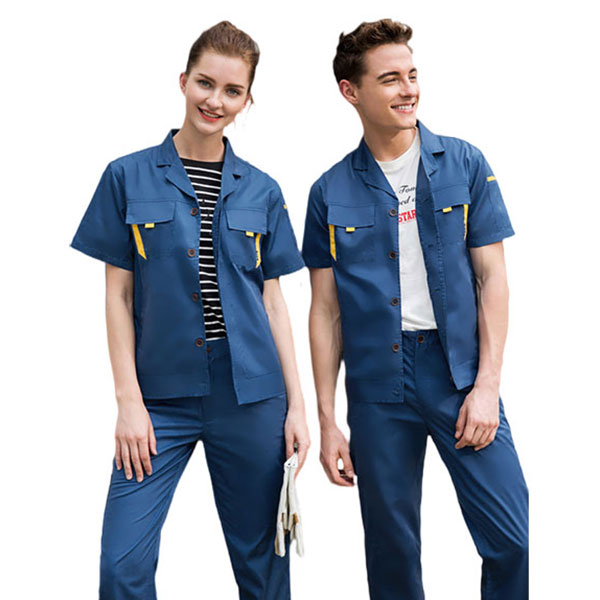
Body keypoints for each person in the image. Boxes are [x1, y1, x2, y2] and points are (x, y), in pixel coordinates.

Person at [70, 21, 309, 600]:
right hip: (159, 396)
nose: (215, 100)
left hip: (251, 395)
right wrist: (128, 401)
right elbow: (118, 296)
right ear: (183, 81)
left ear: (248, 100)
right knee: (121, 564)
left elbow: (273, 303)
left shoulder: (263, 190)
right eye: (205, 83)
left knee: (263, 566)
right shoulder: (126, 176)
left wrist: (298, 407)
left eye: (232, 91)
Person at [302, 18, 528, 600]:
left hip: (457, 374)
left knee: (509, 538)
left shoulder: (465, 164)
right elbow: (325, 312)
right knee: (392, 551)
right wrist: (327, 419)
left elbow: (492, 278)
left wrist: (487, 385)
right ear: (351, 91)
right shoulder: (328, 191)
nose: (409, 90)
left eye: (412, 75)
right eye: (390, 79)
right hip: (378, 386)